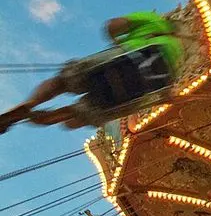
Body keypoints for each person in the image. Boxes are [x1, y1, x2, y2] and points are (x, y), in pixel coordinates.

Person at [0, 11, 182, 134]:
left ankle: (30, 105)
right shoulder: (180, 58)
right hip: (139, 89)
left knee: (63, 81)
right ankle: (36, 117)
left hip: (121, 58)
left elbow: (113, 25)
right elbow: (169, 94)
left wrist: (115, 41)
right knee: (75, 117)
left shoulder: (154, 20)